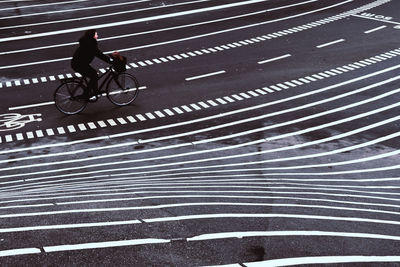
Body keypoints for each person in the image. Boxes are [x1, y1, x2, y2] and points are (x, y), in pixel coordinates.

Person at [71, 29, 112, 98]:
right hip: (79, 64)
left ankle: (93, 91)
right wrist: (110, 61)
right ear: (92, 36)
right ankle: (87, 94)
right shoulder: (90, 44)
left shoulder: (87, 42)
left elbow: (98, 53)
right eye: (96, 34)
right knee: (94, 75)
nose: (97, 36)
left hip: (79, 63)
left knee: (93, 74)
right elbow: (99, 54)